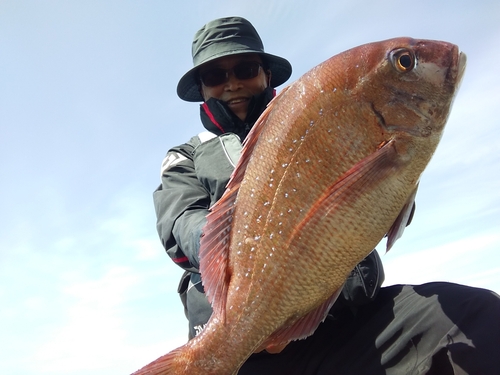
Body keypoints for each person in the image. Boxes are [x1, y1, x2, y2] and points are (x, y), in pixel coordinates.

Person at [153, 16, 500, 374]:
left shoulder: (314, 114)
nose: (232, 84)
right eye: (215, 76)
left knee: (477, 315)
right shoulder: (186, 157)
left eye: (245, 68)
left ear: (266, 75)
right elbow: (179, 221)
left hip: (349, 326)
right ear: (202, 87)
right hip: (250, 350)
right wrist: (229, 260)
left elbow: (378, 207)